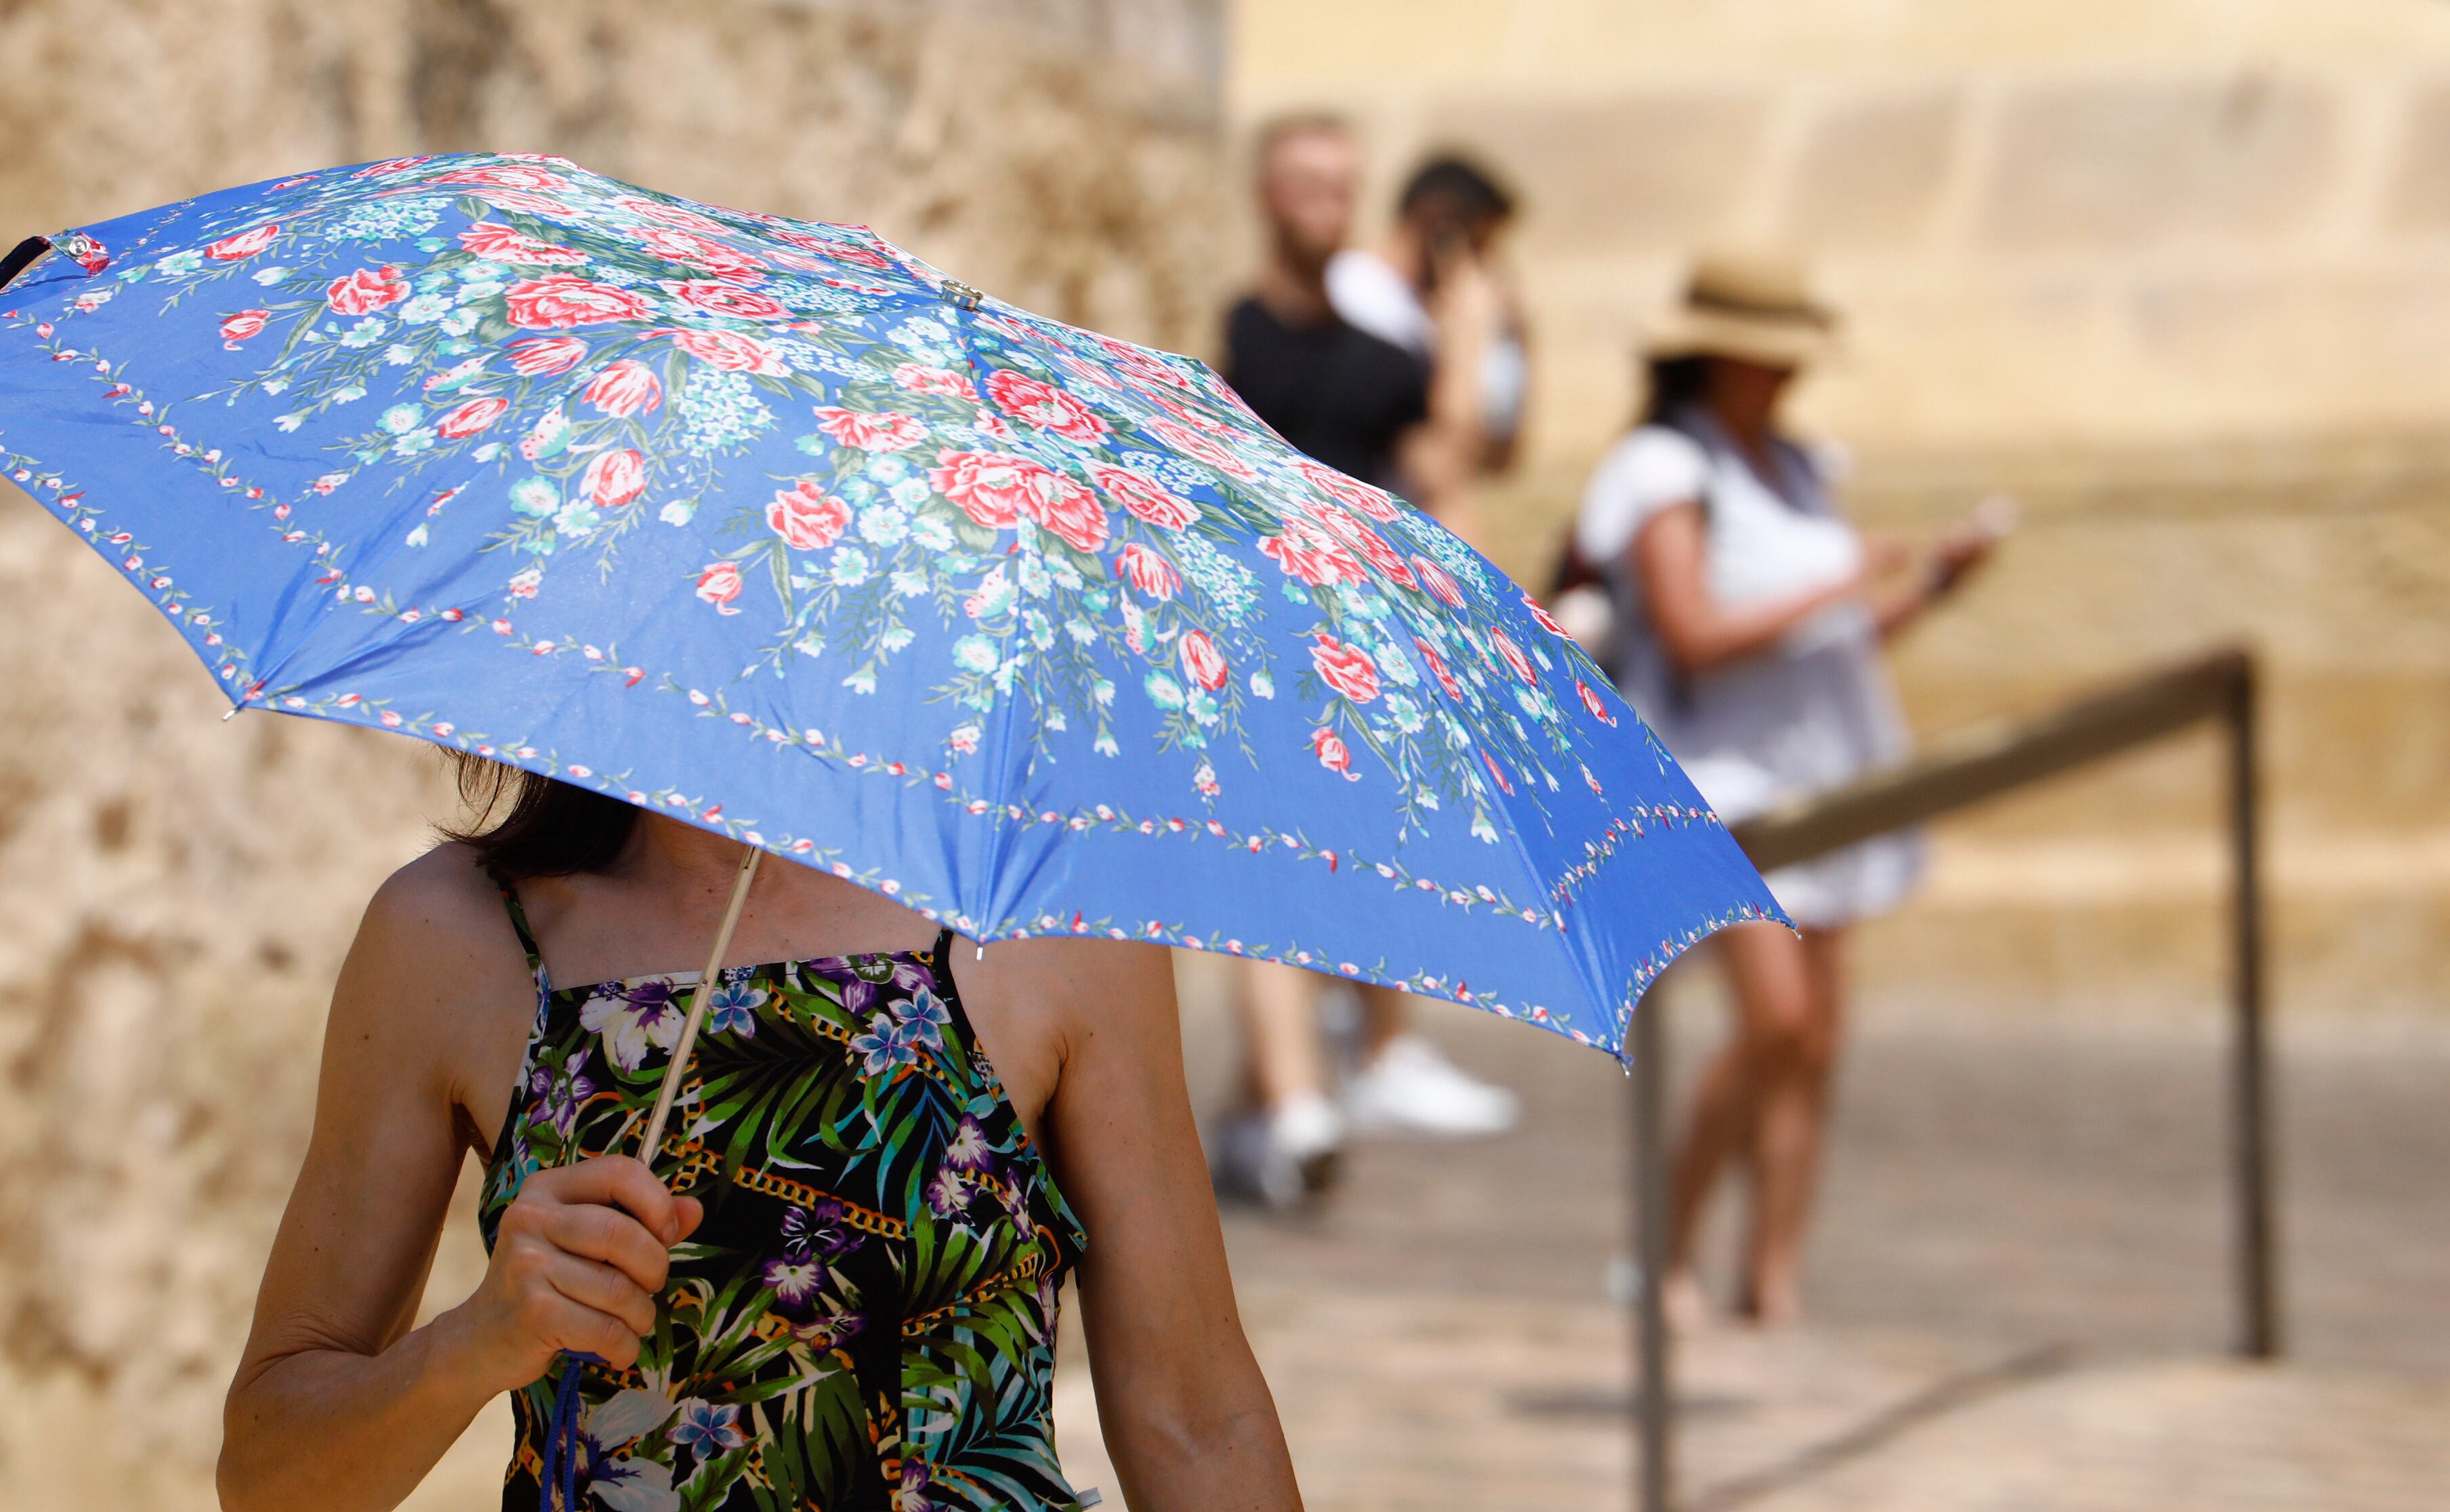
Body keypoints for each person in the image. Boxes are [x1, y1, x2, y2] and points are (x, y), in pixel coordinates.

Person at [216, 764, 1303, 1511]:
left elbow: (1196, 1419)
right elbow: (270, 1475)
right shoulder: (451, 936)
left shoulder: (1046, 903)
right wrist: (470, 1346)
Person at [1573, 251, 2004, 1326]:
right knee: (1773, 1021)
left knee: (1814, 1042)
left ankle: (1773, 1278)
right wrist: (1845, 578)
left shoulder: (1799, 468)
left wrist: (1928, 589)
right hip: (1725, 785)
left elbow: (1834, 644)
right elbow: (1694, 635)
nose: (1789, 379)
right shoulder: (1663, 468)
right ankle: (1665, 1251)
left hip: (1824, 775)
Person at [1211, 116, 1518, 1209]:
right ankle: (1294, 1104)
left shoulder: (1379, 354)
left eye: (1340, 187)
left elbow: (1449, 457)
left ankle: (1265, 1113)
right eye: (1304, 185)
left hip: (1352, 646)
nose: (1322, 204)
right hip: (1255, 639)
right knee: (1269, 876)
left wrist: (1473, 331)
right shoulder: (1232, 335)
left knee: (1324, 877)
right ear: (1266, 194)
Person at [1325, 152, 1530, 539]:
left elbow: (1500, 458)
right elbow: (1447, 467)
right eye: (1479, 247)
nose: (1484, 267)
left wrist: (1518, 344)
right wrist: (1469, 342)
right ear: (1440, 225)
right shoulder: (1360, 299)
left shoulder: (1421, 315)